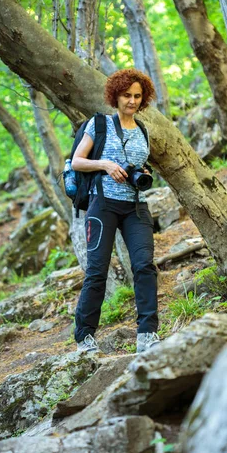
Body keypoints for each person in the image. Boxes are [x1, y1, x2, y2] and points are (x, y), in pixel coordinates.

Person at [72, 68, 160, 354]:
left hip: (135, 205)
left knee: (144, 265)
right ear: (115, 95)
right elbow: (77, 162)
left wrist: (142, 172)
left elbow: (139, 163)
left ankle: (147, 334)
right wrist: (106, 165)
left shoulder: (143, 130)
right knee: (97, 271)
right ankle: (84, 338)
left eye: (137, 96)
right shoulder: (99, 124)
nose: (132, 101)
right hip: (103, 204)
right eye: (126, 95)